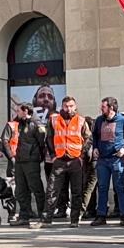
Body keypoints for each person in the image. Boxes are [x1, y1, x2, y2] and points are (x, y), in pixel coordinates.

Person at [5, 104, 49, 228]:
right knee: (21, 190)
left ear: (25, 111)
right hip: (20, 161)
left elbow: (42, 143)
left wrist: (37, 156)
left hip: (31, 161)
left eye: (18, 111)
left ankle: (43, 216)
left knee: (36, 188)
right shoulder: (20, 124)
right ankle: (24, 216)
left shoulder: (36, 124)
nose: (16, 113)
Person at [48, 96, 89, 226]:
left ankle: (74, 220)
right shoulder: (54, 120)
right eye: (66, 106)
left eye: (71, 106)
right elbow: (48, 139)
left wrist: (82, 156)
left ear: (75, 107)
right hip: (59, 160)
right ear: (62, 106)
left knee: (76, 192)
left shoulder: (81, 121)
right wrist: (53, 155)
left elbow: (88, 139)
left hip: (75, 160)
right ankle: (46, 219)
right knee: (52, 190)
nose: (69, 109)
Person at [90, 98, 124, 226]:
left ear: (111, 108)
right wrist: (96, 147)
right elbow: (95, 136)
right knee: (102, 188)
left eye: (103, 106)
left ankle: (123, 215)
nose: (101, 108)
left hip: (117, 160)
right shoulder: (99, 120)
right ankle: (101, 215)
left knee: (120, 187)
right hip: (103, 160)